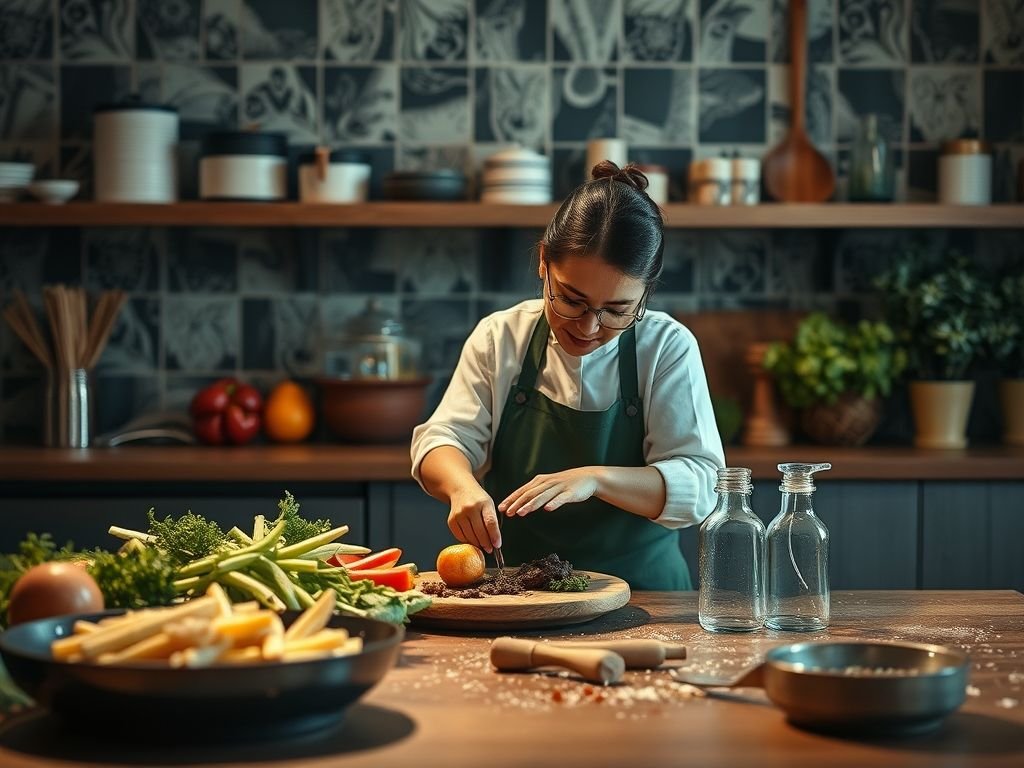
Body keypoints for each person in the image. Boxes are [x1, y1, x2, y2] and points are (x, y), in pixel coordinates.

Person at [410, 161, 725, 589]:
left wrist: (594, 478)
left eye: (617, 311)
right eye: (571, 300)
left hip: (651, 600)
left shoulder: (666, 346)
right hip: (521, 596)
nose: (589, 327)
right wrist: (462, 487)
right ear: (543, 263)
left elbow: (701, 486)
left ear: (646, 293)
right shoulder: (501, 337)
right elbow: (441, 440)